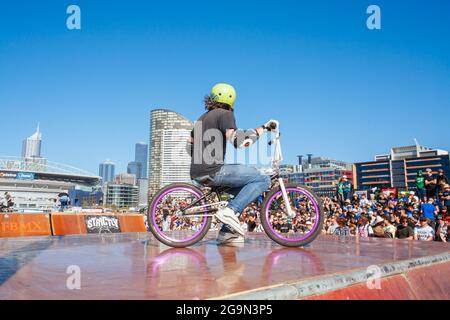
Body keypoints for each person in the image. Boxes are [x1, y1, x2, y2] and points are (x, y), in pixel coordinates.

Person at [189, 83, 273, 244]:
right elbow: (239, 142)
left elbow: (190, 143)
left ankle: (226, 233)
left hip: (197, 172)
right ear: (231, 100)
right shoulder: (225, 114)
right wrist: (264, 128)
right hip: (213, 171)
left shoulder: (201, 118)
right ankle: (230, 211)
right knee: (262, 179)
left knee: (244, 193)